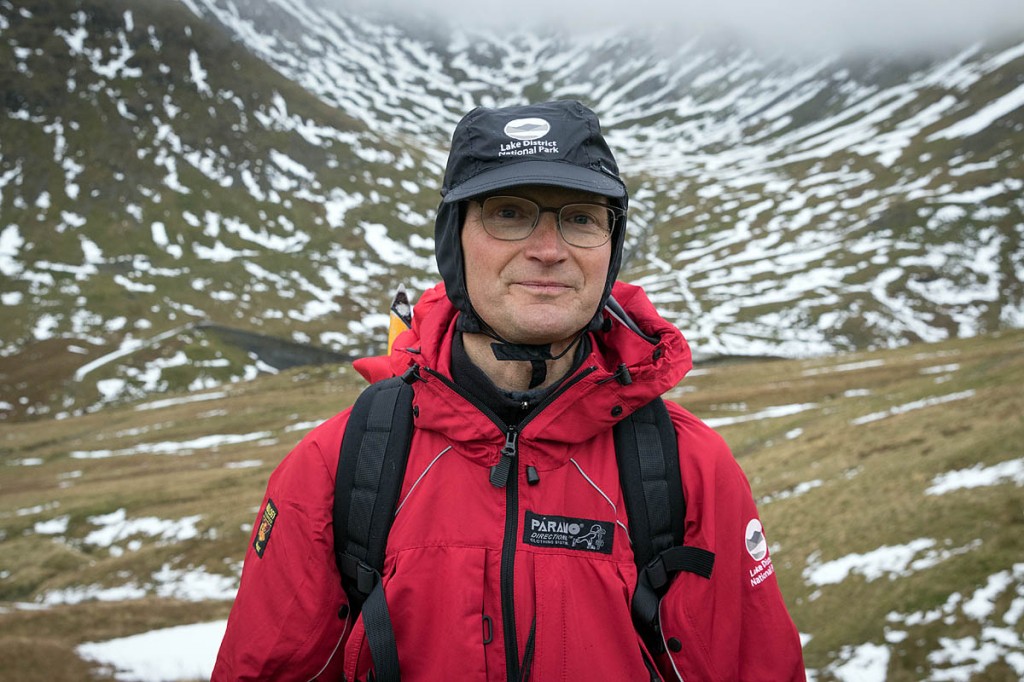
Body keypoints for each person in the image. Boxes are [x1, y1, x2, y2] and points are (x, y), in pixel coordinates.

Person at [213, 100, 806, 681]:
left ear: (610, 246)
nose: (548, 251)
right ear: (455, 240)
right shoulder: (334, 466)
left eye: (580, 218)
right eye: (509, 213)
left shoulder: (690, 470)